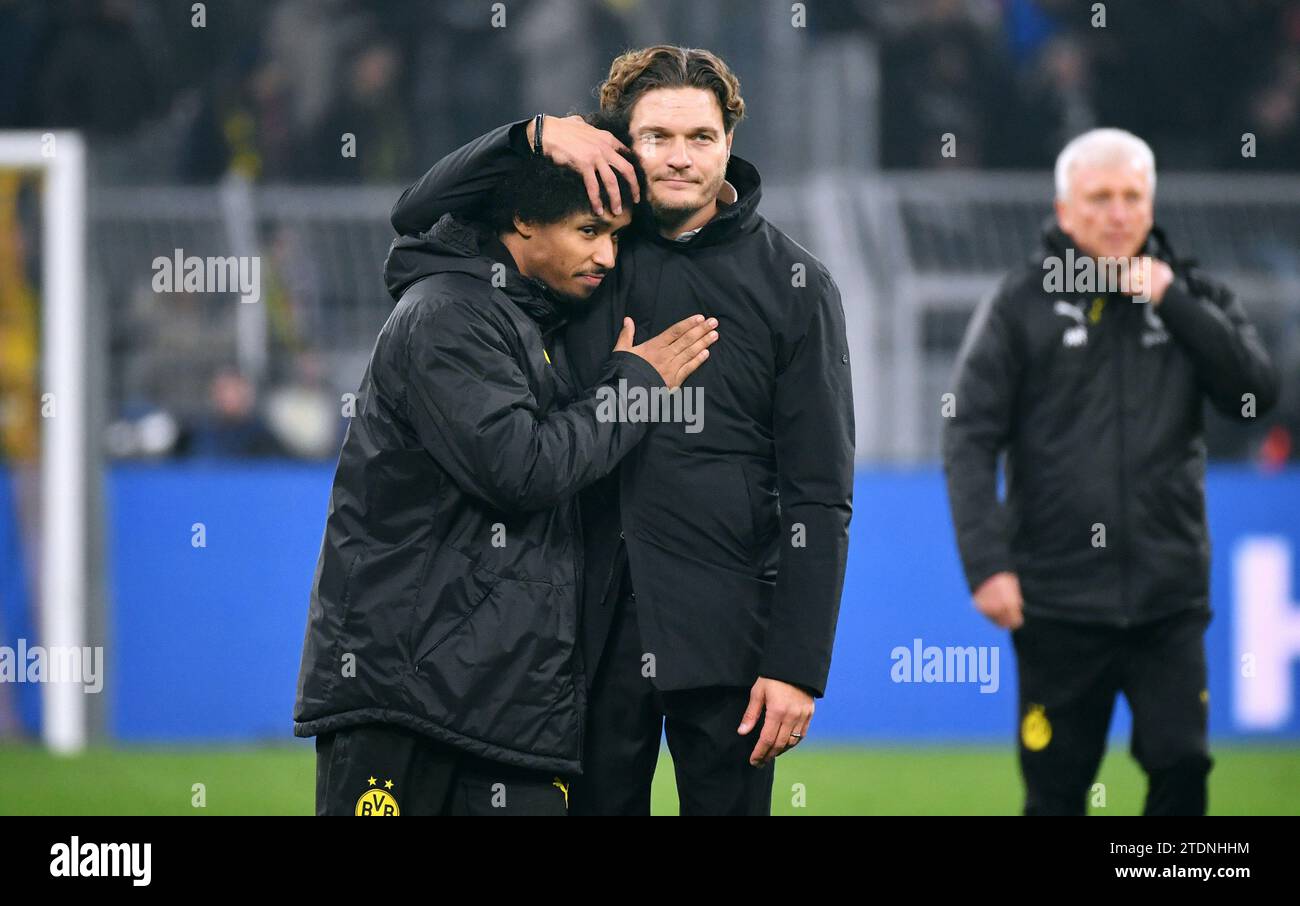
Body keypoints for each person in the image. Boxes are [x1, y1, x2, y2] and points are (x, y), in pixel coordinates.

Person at [391, 45, 855, 815]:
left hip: (730, 644)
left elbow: (820, 495)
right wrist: (530, 136)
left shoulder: (796, 286)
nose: (680, 158)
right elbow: (414, 218)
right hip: (579, 641)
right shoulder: (583, 246)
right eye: (657, 137)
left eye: (700, 137)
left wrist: (799, 666)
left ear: (729, 143)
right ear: (620, 143)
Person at [293, 143, 719, 815]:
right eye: (588, 232)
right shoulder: (447, 316)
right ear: (522, 222)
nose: (607, 257)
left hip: (502, 704)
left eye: (614, 236)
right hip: (409, 705)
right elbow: (523, 468)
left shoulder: (523, 320)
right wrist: (634, 388)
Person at [943, 128, 1280, 816]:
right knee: (1057, 791)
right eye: (1101, 198)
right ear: (1065, 211)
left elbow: (1255, 394)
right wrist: (987, 564)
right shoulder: (1021, 305)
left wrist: (1174, 303)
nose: (1120, 213)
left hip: (1168, 598)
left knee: (1183, 769)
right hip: (1058, 600)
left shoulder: (1194, 293)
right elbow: (969, 438)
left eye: (1133, 196)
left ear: (1152, 206)